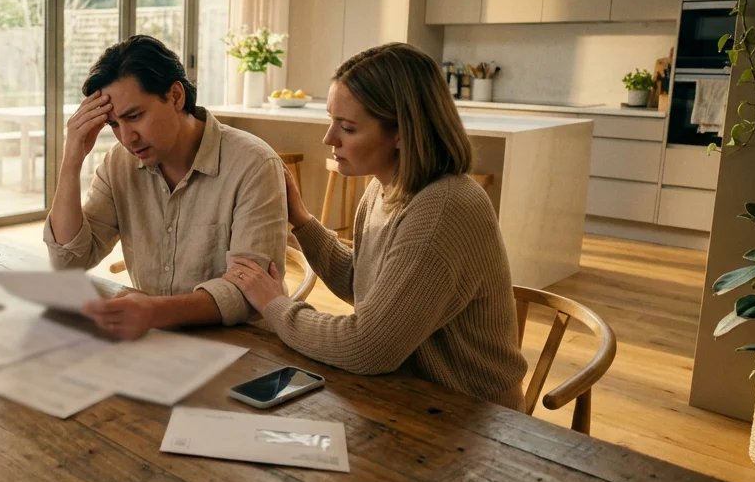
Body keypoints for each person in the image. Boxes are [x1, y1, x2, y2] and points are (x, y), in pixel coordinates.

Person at [223, 42, 527, 408]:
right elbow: (362, 281)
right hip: (408, 396)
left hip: (473, 416)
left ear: (401, 132)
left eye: (347, 128)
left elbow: (367, 346)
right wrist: (302, 221)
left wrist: (275, 306)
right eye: (331, 121)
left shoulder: (444, 208)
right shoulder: (384, 188)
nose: (329, 139)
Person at [45, 35, 289, 339]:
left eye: (134, 116)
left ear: (175, 96)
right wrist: (71, 161)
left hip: (243, 346)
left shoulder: (254, 164)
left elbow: (250, 292)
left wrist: (154, 311)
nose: (126, 138)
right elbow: (68, 262)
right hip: (152, 339)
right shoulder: (118, 164)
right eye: (114, 125)